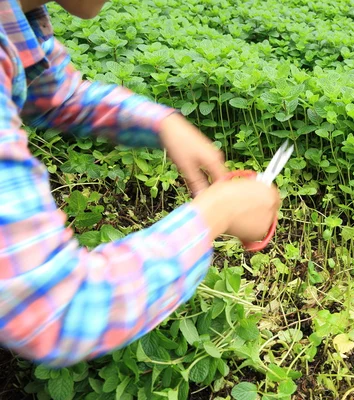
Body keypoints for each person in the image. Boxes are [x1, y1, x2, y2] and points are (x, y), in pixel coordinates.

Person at [0, 0, 280, 368]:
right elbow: (57, 311)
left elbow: (55, 95)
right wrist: (218, 213)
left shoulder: (16, 19)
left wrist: (160, 123)